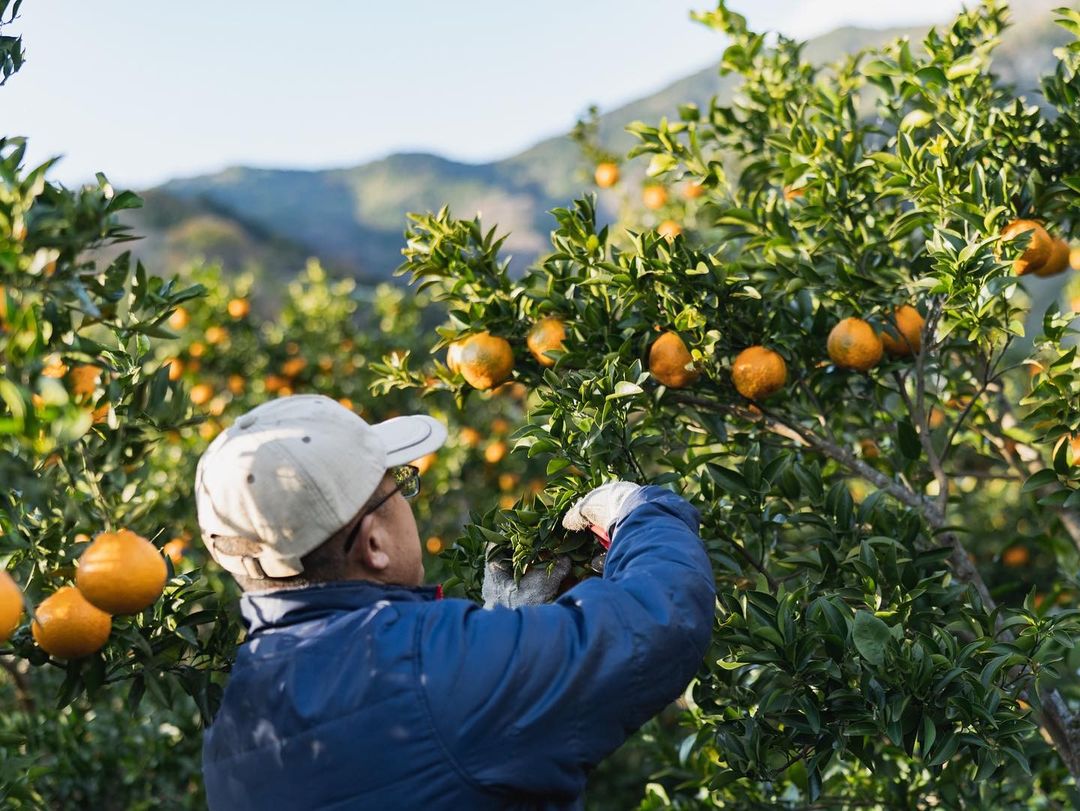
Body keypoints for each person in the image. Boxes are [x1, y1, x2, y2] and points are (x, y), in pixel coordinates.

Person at [196, 394, 715, 810]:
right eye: (397, 485)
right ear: (373, 544)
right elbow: (659, 621)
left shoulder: (235, 731)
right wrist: (641, 512)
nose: (406, 499)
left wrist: (508, 632)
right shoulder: (430, 670)